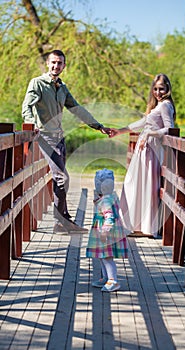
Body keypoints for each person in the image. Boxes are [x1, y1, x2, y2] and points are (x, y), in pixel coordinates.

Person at [22, 49, 111, 234]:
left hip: (59, 137)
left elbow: (77, 109)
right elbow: (26, 107)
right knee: (62, 178)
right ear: (48, 63)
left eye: (60, 63)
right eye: (53, 62)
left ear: (64, 65)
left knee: (60, 179)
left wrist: (98, 125)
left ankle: (63, 220)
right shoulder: (37, 83)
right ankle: (62, 221)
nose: (56, 66)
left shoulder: (62, 88)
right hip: (44, 137)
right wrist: (31, 125)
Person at [110, 73, 176, 238]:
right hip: (144, 149)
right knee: (135, 184)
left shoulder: (166, 105)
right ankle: (137, 225)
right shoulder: (157, 105)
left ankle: (147, 227)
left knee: (146, 185)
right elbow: (142, 123)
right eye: (155, 88)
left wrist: (150, 134)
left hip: (151, 150)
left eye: (161, 88)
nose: (158, 92)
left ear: (168, 89)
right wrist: (120, 131)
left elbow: (170, 128)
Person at [86, 168, 128, 292]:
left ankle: (113, 280)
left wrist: (104, 232)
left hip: (106, 233)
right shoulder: (111, 197)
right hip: (108, 230)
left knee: (106, 256)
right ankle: (106, 278)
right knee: (101, 256)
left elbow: (109, 218)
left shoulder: (105, 201)